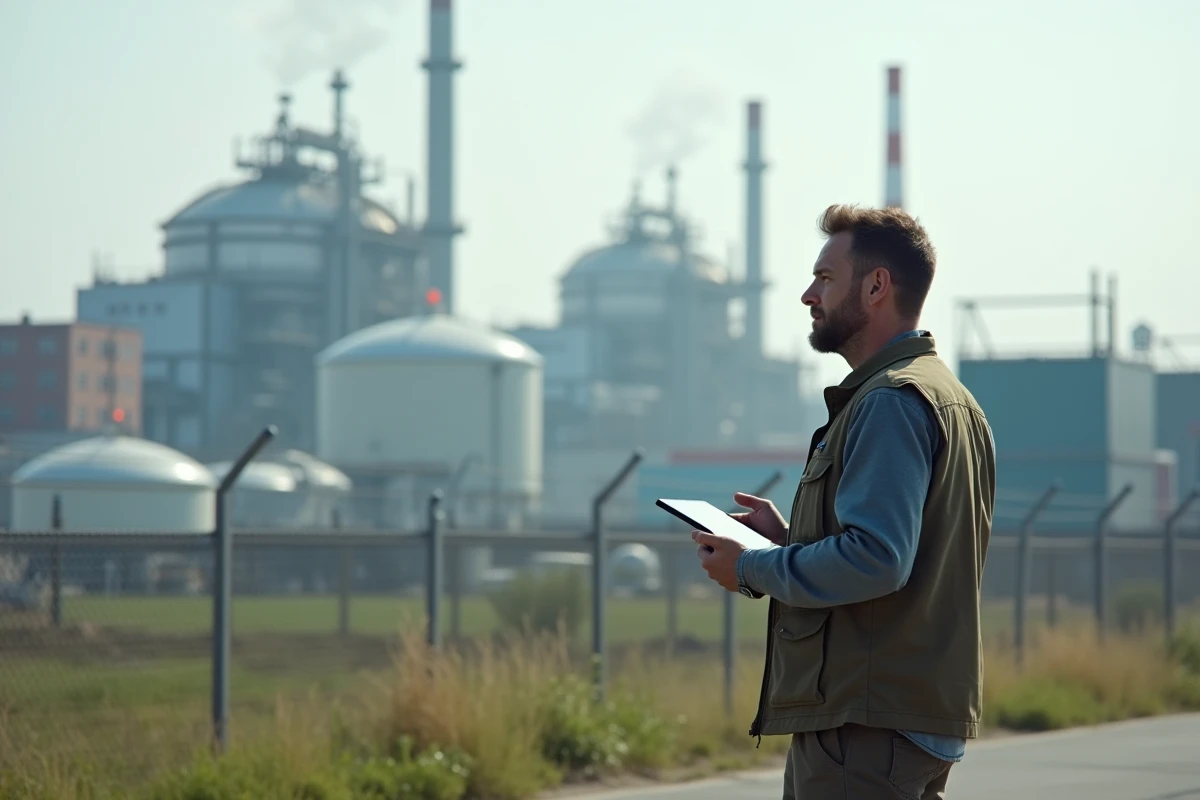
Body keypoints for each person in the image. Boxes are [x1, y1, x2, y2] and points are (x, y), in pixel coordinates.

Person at [692, 204, 996, 799]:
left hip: (864, 725)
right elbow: (906, 551)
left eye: (825, 278)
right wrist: (786, 542)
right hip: (908, 713)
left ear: (876, 286)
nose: (809, 295)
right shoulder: (951, 398)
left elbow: (878, 559)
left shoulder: (889, 401)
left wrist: (751, 566)